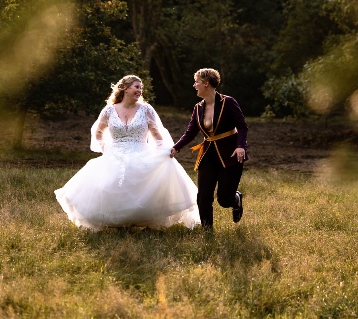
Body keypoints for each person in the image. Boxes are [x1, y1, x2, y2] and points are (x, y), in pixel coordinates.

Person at [55, 75, 200, 230]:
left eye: (141, 88)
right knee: (111, 185)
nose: (139, 90)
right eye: (136, 87)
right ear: (124, 88)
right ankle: (117, 222)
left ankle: (141, 221)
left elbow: (157, 134)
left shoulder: (146, 109)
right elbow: (98, 132)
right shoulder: (110, 110)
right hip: (115, 153)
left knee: (141, 185)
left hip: (140, 151)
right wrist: (106, 148)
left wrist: (162, 151)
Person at [170, 68, 248, 230]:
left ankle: (236, 199)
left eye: (197, 81)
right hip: (208, 155)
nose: (194, 85)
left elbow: (242, 126)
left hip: (231, 154)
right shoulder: (198, 107)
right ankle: (207, 232)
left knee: (224, 199)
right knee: (203, 196)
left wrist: (241, 146)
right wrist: (176, 148)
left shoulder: (228, 102)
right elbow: (191, 132)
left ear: (206, 84)